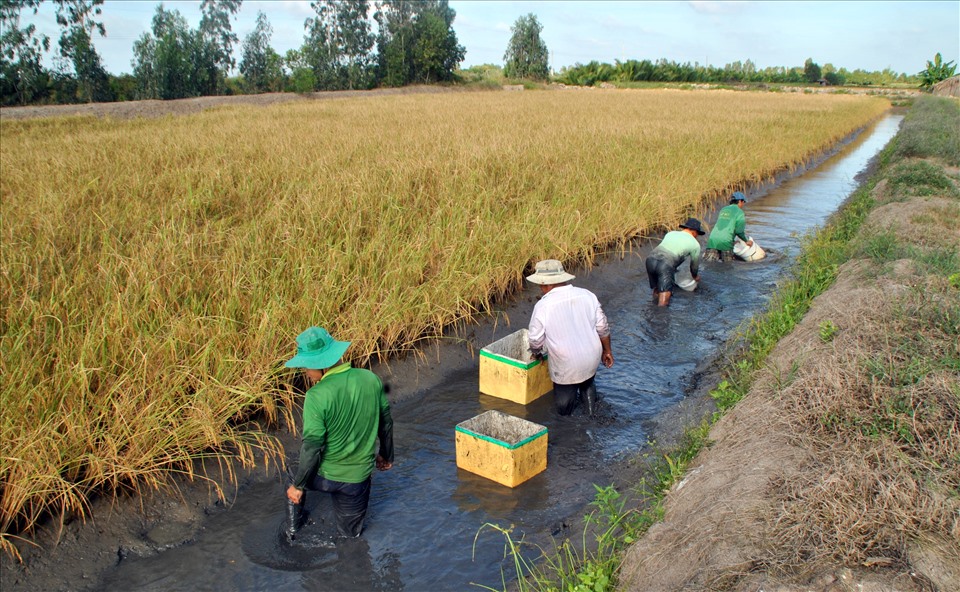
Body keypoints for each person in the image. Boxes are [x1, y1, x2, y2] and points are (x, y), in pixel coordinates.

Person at [284, 326, 394, 538]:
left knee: (293, 470)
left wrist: (298, 485)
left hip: (325, 477)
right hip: (357, 480)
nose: (305, 372)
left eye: (306, 366)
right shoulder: (370, 379)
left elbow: (313, 446)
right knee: (351, 538)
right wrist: (386, 455)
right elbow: (386, 422)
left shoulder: (316, 396)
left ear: (320, 366)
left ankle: (292, 529)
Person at [526, 259, 614, 416]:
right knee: (588, 383)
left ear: (546, 284)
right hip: (591, 355)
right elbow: (603, 328)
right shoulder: (587, 295)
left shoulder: (543, 306)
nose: (540, 289)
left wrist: (536, 353)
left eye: (540, 285)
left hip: (566, 361)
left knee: (564, 405)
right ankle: (591, 415)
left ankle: (567, 429)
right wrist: (607, 351)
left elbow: (535, 339)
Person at [645, 218, 705, 307]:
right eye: (697, 234)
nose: (697, 236)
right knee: (664, 298)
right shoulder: (695, 245)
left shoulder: (671, 233)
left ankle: (653, 309)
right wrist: (695, 277)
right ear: (694, 231)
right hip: (665, 264)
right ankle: (660, 316)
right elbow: (694, 267)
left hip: (650, 260)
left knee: (657, 288)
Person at [704, 191, 753, 261]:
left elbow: (723, 227)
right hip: (726, 242)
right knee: (727, 267)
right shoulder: (740, 212)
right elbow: (739, 231)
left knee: (709, 265)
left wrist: (733, 241)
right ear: (740, 201)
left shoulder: (723, 209)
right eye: (743, 202)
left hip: (712, 240)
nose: (743, 204)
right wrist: (746, 241)